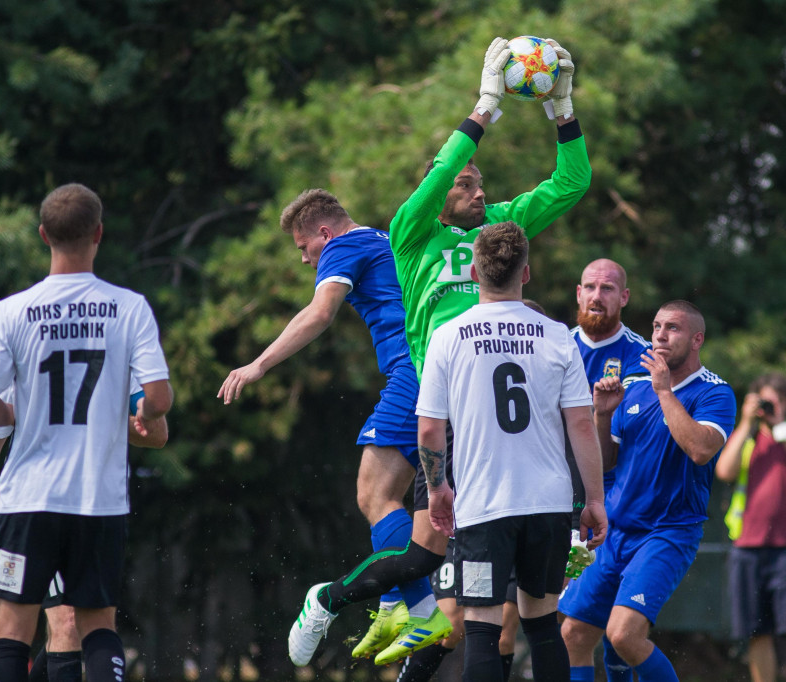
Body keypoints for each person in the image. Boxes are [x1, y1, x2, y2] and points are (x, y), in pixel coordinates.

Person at [287, 34, 591, 670]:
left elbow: (572, 182)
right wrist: (484, 108)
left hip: (497, 411)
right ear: (439, 187)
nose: (478, 191)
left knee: (449, 572)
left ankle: (363, 604)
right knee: (403, 528)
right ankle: (336, 599)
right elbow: (434, 183)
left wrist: (563, 112)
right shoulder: (411, 234)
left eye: (481, 184)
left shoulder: (499, 232)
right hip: (442, 396)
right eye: (465, 183)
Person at [0, 183, 173, 682]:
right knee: (98, 625)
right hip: (98, 500)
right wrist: (135, 411)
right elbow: (159, 402)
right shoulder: (130, 307)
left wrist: (21, 412)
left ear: (43, 235)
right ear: (99, 234)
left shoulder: (12, 311)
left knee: (13, 630)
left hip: (27, 501)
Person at [217, 189, 438, 663]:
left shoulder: (344, 245)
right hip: (443, 372)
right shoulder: (385, 238)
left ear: (323, 232)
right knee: (404, 502)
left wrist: (257, 365)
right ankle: (398, 602)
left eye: (303, 247)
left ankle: (415, 606)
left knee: (373, 494)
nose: (303, 259)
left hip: (413, 373)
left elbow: (319, 314)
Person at [417, 221, 607, 682]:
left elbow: (428, 431)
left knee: (482, 632)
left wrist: (437, 489)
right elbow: (581, 424)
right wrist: (595, 499)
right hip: (549, 505)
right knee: (542, 626)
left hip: (484, 507)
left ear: (476, 274)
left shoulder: (448, 336)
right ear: (526, 274)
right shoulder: (558, 335)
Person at [560, 300, 737, 682]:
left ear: (696, 339)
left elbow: (701, 449)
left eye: (672, 328)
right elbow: (607, 462)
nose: (659, 335)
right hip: (616, 530)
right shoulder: (633, 389)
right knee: (574, 633)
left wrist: (664, 392)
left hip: (668, 533)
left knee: (623, 634)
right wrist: (602, 414)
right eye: (656, 326)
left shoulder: (714, 392)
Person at [0, 382, 168, 682]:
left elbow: (158, 433)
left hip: (96, 510)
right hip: (36, 507)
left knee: (83, 626)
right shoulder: (29, 349)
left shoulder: (117, 348)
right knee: (62, 623)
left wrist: (104, 416)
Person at [557, 258, 650, 682]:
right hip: (555, 498)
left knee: (598, 634)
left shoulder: (641, 356)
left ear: (624, 297)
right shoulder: (556, 346)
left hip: (614, 506)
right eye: (590, 287)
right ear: (578, 293)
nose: (597, 296)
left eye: (608, 288)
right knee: (571, 632)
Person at [716, 372, 786, 682]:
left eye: (775, 401)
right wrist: (746, 423)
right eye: (763, 400)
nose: (769, 407)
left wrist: (781, 429)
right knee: (755, 632)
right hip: (747, 548)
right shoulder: (747, 439)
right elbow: (724, 470)